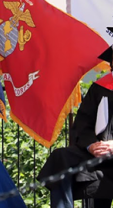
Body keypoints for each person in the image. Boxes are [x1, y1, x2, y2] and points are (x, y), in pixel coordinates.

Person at [38, 45, 113, 208]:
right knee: (61, 157)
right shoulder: (101, 87)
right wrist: (91, 145)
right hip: (99, 155)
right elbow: (82, 124)